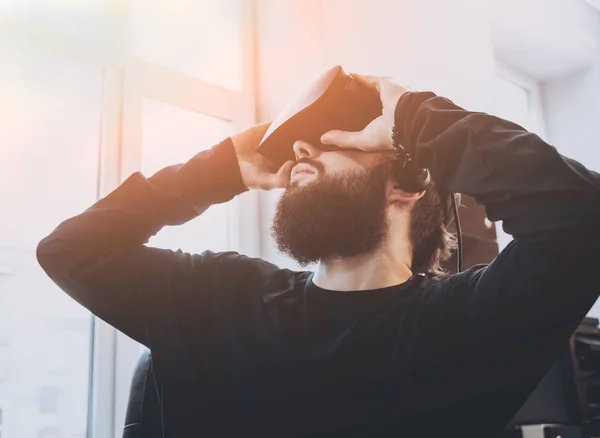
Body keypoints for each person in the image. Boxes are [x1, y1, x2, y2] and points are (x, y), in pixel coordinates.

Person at [37, 74, 600, 438]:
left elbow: (584, 221)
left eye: (334, 138)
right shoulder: (217, 296)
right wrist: (217, 170)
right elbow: (70, 250)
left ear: (405, 186)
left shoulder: (467, 323)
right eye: (299, 144)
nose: (301, 150)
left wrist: (416, 118)